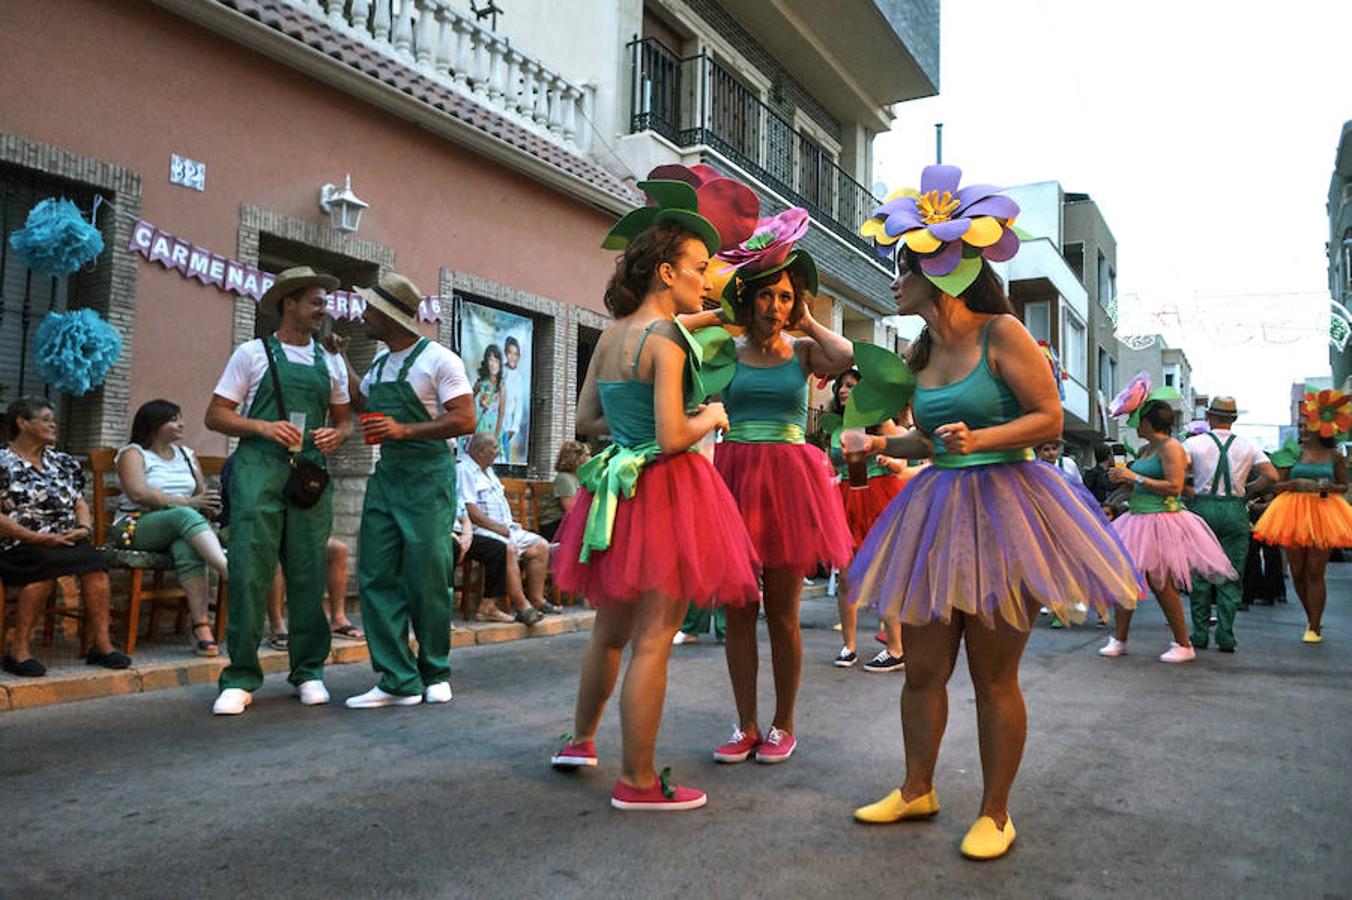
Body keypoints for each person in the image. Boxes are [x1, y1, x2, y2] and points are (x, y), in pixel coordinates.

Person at [846, 167, 1142, 860]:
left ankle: (996, 812)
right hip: (935, 510)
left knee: (992, 675)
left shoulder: (1001, 331)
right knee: (921, 669)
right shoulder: (918, 350)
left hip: (1008, 508)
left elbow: (1047, 420)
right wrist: (881, 442)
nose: (897, 280)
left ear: (943, 268)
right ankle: (918, 787)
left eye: (906, 266)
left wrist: (979, 439)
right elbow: (928, 439)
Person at [550, 168, 762, 810]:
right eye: (698, 266)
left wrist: (631, 431)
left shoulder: (612, 334)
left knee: (608, 631)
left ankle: (580, 739)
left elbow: (586, 422)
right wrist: (715, 415)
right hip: (667, 490)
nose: (706, 278)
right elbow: (674, 435)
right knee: (654, 637)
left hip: (616, 492)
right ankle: (638, 780)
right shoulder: (667, 340)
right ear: (665, 272)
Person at [698, 204, 854, 766]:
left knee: (783, 611)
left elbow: (846, 355)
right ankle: (744, 725)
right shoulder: (725, 353)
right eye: (766, 295)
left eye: (785, 296)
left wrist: (807, 319)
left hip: (789, 484)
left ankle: (784, 723)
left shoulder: (806, 350)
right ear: (748, 297)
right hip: (733, 480)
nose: (775, 306)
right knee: (738, 611)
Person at [205, 266, 352, 715]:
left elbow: (346, 418)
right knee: (250, 570)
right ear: (288, 303)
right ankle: (240, 676)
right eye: (315, 302)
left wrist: (339, 435)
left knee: (308, 571)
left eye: (324, 303)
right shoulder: (251, 354)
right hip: (257, 470)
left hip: (308, 473)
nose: (322, 311)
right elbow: (216, 415)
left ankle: (309, 671)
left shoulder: (331, 361)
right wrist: (262, 426)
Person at [334, 273, 477, 709]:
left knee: (427, 577)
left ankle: (435, 670)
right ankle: (397, 679)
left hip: (428, 477)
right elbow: (365, 404)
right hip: (388, 476)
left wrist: (404, 429)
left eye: (370, 310)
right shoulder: (379, 365)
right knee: (375, 575)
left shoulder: (439, 360)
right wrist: (340, 361)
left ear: (390, 315)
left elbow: (465, 419)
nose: (363, 316)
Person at [1098, 382, 1233, 662]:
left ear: (1149, 422)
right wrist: (1122, 482)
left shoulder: (1171, 448)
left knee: (1162, 583)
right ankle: (1119, 639)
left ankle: (1183, 644)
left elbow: (1174, 486)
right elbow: (1138, 489)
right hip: (1137, 519)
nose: (1133, 424)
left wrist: (1133, 477)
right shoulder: (1147, 450)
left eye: (1138, 420)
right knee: (1126, 579)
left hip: (1161, 521)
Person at [0, 397, 131, 676]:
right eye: (46, 419)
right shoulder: (3, 462)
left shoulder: (62, 462)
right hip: (19, 542)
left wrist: (84, 529)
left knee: (96, 569)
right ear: (22, 423)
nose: (53, 424)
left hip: (63, 538)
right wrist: (37, 538)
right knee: (41, 573)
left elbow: (79, 503)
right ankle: (18, 652)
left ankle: (102, 646)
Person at [114, 399, 229, 657]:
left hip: (179, 527)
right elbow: (138, 493)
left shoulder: (187, 455)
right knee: (183, 515)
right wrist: (189, 503)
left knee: (187, 547)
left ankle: (201, 628)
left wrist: (209, 506)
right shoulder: (133, 453)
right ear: (154, 424)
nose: (182, 424)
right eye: (174, 419)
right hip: (135, 525)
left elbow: (200, 494)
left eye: (181, 418)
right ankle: (226, 568)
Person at [1252, 389, 1352, 642]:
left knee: (1315, 570)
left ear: (1324, 428)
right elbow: (1276, 486)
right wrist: (1297, 482)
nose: (1304, 430)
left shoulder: (1335, 456)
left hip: (1325, 512)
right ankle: (1311, 617)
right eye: (1302, 426)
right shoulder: (1292, 452)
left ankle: (1315, 626)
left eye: (1309, 426)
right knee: (1297, 570)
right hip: (1292, 512)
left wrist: (1330, 487)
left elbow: (1344, 486)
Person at [1181, 397, 1279, 653]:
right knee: (1232, 573)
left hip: (1203, 508)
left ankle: (1200, 634)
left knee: (1200, 573)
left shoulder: (1192, 443)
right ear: (1233, 419)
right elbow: (1272, 475)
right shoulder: (1248, 446)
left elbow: (1175, 471)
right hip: (1235, 508)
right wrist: (1247, 491)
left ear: (1210, 417)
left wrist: (1189, 488)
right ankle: (1226, 635)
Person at [828, 369, 908, 673]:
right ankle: (848, 645)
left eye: (851, 385)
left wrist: (892, 462)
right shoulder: (838, 427)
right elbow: (834, 462)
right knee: (846, 575)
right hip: (846, 498)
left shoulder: (883, 423)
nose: (843, 390)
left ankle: (896, 647)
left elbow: (901, 457)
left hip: (880, 497)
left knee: (883, 574)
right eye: (840, 386)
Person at [458, 433, 558, 617]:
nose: (498, 451)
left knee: (541, 546)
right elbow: (469, 509)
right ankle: (522, 607)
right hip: (479, 530)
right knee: (507, 549)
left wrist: (506, 527)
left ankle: (537, 599)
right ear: (480, 451)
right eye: (494, 448)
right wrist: (497, 528)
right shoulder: (465, 470)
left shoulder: (488, 471)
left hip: (506, 528)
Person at [265, 537, 361, 650]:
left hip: (300, 533)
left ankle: (338, 620)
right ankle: (277, 626)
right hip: (273, 535)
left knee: (338, 549)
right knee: (275, 556)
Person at [538, 440, 589, 542]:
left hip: (567, 523)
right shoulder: (564, 479)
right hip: (554, 525)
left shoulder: (578, 478)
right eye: (587, 455)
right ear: (576, 458)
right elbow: (571, 510)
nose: (590, 458)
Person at [500, 336, 529, 462]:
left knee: (503, 456)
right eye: (510, 353)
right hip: (494, 421)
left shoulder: (518, 377)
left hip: (507, 425)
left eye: (516, 354)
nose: (513, 357)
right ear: (506, 353)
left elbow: (519, 405)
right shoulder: (500, 372)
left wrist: (514, 427)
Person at [472, 345, 505, 446]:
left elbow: (501, 413)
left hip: (494, 427)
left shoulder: (500, 386)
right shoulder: (481, 383)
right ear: (486, 362)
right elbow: (468, 398)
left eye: (496, 360)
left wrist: (496, 435)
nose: (493, 364)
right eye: (491, 360)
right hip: (481, 425)